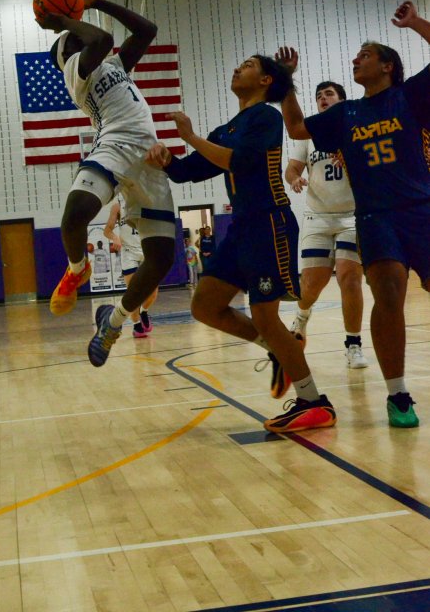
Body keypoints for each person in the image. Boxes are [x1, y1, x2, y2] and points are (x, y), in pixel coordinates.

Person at [146, 53, 336, 433]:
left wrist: (189, 137)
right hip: (242, 227)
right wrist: (167, 159)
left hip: (269, 221)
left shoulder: (265, 117)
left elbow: (242, 163)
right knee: (205, 305)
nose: (237, 67)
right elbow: (189, 172)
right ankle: (280, 349)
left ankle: (315, 402)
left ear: (266, 81)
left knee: (265, 314)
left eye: (248, 65)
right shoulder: (229, 127)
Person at [279, 0, 430, 428]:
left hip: (420, 208)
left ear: (387, 66)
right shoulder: (346, 113)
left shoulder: (409, 95)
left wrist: (416, 22)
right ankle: (398, 395)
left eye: (364, 54)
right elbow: (295, 128)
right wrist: (287, 82)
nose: (355, 60)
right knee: (388, 297)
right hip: (375, 216)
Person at [37, 0, 175, 367]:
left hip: (148, 159)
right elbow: (101, 36)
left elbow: (146, 30)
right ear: (68, 52)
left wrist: (96, 1)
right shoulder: (75, 70)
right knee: (77, 211)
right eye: (72, 38)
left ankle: (112, 323)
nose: (78, 37)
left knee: (161, 258)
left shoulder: (112, 65)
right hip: (114, 143)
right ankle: (77, 269)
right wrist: (64, 18)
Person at [285, 80, 367, 369]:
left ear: (341, 100)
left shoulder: (357, 129)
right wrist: (295, 179)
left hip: (352, 215)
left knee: (349, 277)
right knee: (312, 283)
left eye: (329, 94)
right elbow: (291, 168)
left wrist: (355, 162)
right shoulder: (309, 134)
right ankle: (302, 315)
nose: (322, 98)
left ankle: (353, 344)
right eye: (319, 95)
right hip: (317, 216)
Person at [103, 196, 158, 338]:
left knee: (153, 292)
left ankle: (143, 311)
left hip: (147, 249)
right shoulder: (117, 206)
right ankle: (136, 325)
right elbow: (107, 230)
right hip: (129, 253)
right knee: (134, 292)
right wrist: (115, 238)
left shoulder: (146, 201)